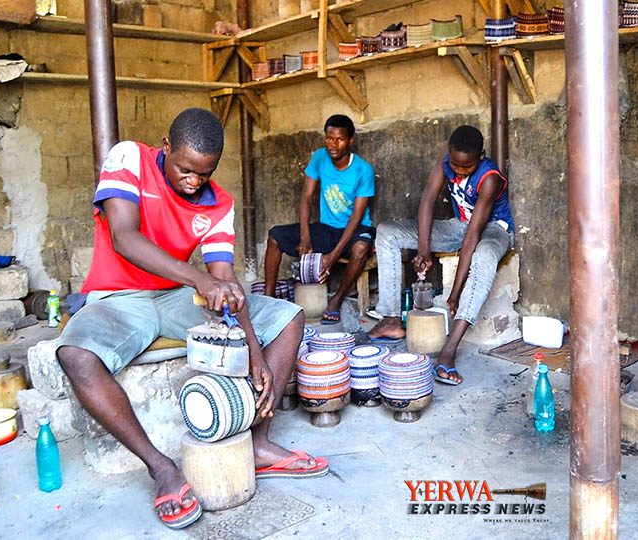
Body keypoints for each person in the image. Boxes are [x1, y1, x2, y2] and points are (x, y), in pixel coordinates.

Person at [56, 109, 328, 530]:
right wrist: (199, 279)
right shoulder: (129, 159)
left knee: (288, 317)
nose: (194, 181)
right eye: (185, 169)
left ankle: (259, 443)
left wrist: (254, 350)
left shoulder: (219, 203)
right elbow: (124, 237)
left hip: (177, 297)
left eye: (205, 173)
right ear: (166, 147)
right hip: (117, 297)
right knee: (75, 355)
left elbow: (224, 280)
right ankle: (161, 468)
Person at [368, 125, 515, 385]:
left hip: (494, 229)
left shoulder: (489, 178)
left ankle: (449, 351)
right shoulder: (446, 157)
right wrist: (423, 249)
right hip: (459, 226)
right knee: (388, 232)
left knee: (484, 255)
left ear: (480, 156)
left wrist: (455, 293)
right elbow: (427, 199)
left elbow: (473, 236)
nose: (458, 171)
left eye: (466, 167)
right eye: (455, 165)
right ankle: (390, 318)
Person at [263, 114, 376, 324]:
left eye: (340, 139)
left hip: (356, 228)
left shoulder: (363, 170)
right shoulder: (319, 157)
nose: (333, 144)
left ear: (351, 140)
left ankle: (336, 301)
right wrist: (305, 237)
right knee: (275, 236)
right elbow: (306, 199)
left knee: (360, 248)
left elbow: (356, 217)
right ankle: (268, 300)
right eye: (329, 138)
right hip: (327, 228)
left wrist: (331, 257)